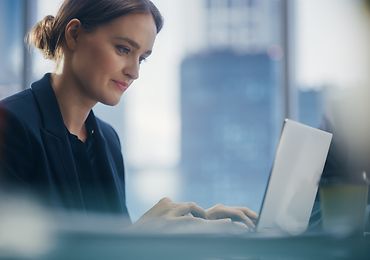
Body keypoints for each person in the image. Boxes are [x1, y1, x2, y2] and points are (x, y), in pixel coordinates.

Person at [0, 0, 257, 232]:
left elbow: (110, 246)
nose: (134, 72)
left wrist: (195, 224)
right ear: (74, 34)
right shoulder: (10, 125)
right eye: (123, 49)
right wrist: (139, 234)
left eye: (142, 58)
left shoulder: (108, 141)